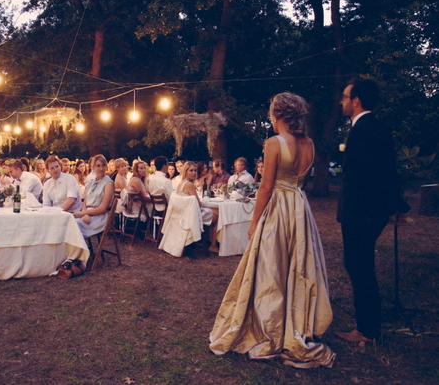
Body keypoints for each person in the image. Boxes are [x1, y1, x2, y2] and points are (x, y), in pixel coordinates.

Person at [209, 92, 335, 368]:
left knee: (271, 265)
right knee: (298, 264)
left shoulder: (275, 142)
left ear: (276, 115)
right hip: (300, 208)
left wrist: (254, 223)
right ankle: (298, 320)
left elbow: (265, 187)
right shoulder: (310, 144)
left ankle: (272, 326)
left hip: (279, 207)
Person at [335, 78, 410, 343]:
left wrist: (391, 206)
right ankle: (368, 326)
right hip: (368, 210)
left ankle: (366, 331)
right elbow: (388, 170)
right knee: (359, 265)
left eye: (345, 97)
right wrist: (395, 206)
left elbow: (374, 174)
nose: (341, 101)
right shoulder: (371, 126)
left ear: (356, 101)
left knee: (359, 266)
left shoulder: (365, 129)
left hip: (361, 212)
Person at [74, 154, 115, 238]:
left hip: (99, 218)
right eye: (98, 166)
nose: (101, 168)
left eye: (103, 165)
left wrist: (83, 213)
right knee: (68, 223)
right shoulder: (90, 182)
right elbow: (85, 202)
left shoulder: (108, 183)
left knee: (73, 226)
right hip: (87, 215)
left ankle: (79, 250)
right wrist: (84, 214)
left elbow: (103, 208)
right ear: (92, 167)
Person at [176, 161, 216, 226]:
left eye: (195, 170)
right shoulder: (189, 185)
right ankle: (210, 236)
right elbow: (198, 204)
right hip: (191, 214)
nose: (194, 173)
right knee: (217, 216)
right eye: (191, 170)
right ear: (185, 171)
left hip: (184, 212)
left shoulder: (181, 183)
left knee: (213, 211)